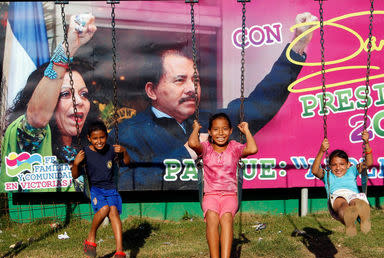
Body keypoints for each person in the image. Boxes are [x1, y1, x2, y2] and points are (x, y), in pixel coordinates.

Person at [116, 12, 317, 190]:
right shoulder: (129, 132)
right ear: (152, 91)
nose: (191, 89)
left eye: (195, 80)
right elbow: (122, 181)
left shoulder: (212, 122)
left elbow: (261, 103)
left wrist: (298, 46)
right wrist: (187, 153)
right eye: (180, 80)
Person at [0, 14, 97, 191]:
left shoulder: (88, 151)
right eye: (66, 94)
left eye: (84, 94)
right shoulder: (27, 139)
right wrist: (70, 46)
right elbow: (37, 117)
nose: (79, 102)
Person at [188, 112, 258, 258]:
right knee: (212, 218)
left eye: (225, 129)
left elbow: (252, 149)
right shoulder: (206, 148)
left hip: (229, 196)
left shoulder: (234, 147)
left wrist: (247, 131)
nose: (221, 133)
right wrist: (196, 129)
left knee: (226, 219)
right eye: (216, 129)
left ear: (231, 131)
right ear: (210, 132)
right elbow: (192, 144)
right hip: (210, 194)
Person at [72, 120, 131, 258]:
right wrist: (76, 163)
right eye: (95, 138)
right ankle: (91, 236)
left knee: (114, 213)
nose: (99, 141)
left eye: (102, 137)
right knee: (104, 209)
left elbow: (128, 163)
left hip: (111, 188)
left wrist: (124, 152)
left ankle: (119, 251)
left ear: (106, 136)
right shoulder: (84, 153)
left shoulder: (111, 150)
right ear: (89, 138)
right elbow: (74, 175)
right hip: (96, 189)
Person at [311, 130, 373, 236]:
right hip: (337, 195)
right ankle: (349, 221)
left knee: (355, 201)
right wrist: (321, 151)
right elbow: (315, 171)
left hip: (353, 194)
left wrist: (366, 143)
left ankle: (363, 217)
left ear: (348, 164)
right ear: (329, 166)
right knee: (342, 204)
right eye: (334, 165)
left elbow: (368, 163)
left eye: (342, 164)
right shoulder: (327, 175)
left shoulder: (352, 170)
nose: (338, 168)